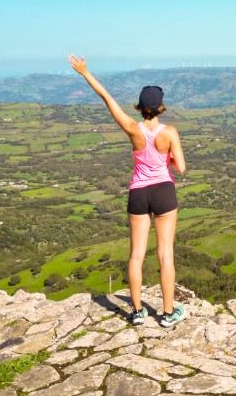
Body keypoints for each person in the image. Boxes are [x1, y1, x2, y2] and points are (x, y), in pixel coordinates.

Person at [68, 54, 187, 327]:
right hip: (163, 192)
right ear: (161, 106)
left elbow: (106, 98)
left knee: (136, 254)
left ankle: (136, 312)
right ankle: (168, 314)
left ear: (140, 106)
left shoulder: (132, 128)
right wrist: (166, 157)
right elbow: (180, 167)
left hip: (138, 193)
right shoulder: (170, 132)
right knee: (165, 254)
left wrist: (85, 72)